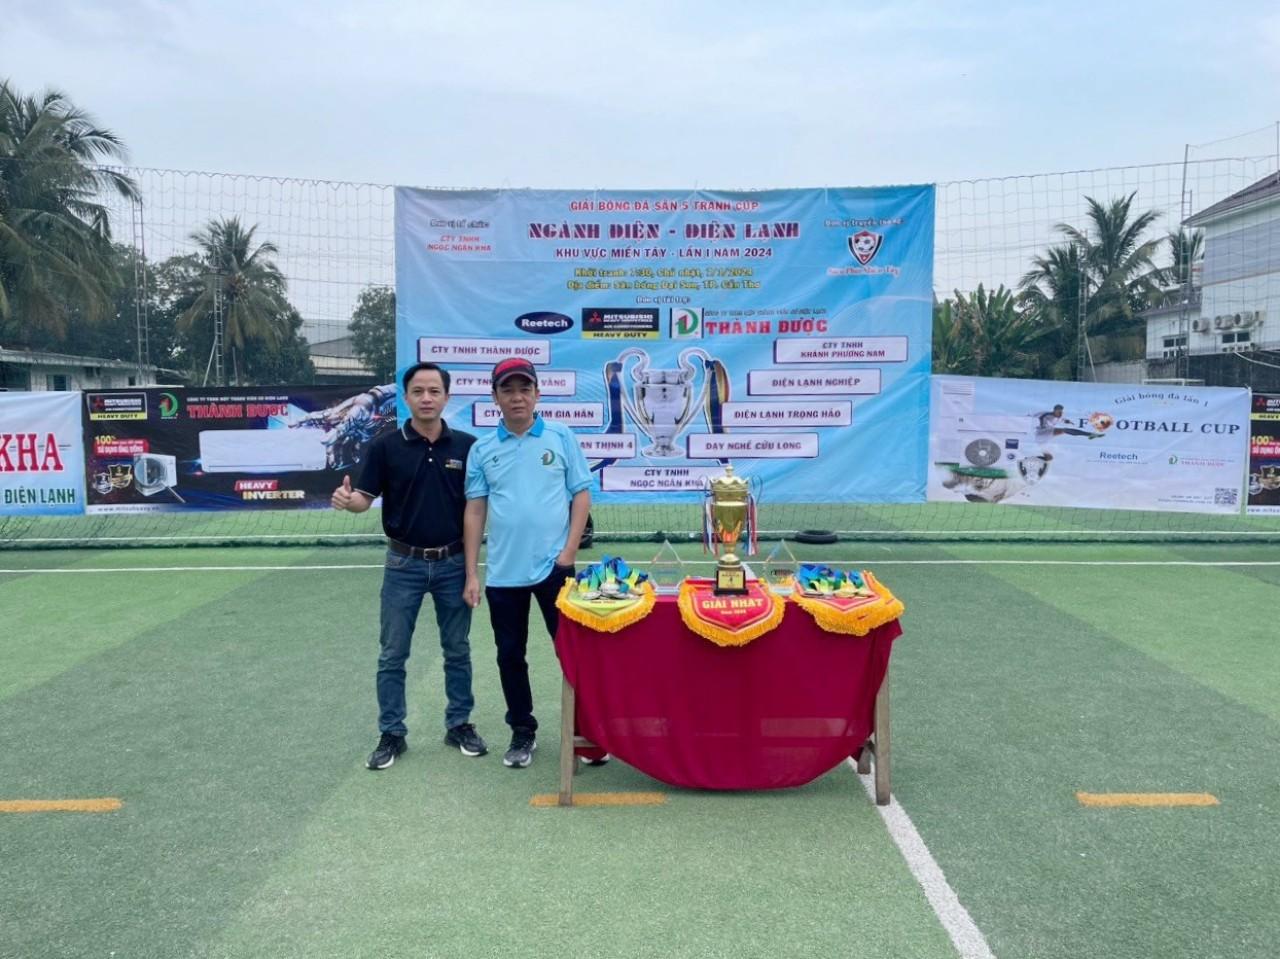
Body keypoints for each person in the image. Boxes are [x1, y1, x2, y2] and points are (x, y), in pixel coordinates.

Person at [332, 361, 487, 771]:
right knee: (392, 654)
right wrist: (349, 502)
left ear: (447, 397)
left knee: (457, 650)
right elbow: (364, 498)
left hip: (454, 563)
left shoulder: (467, 447)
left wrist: (472, 573)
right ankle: (392, 733)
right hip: (403, 564)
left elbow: (476, 511)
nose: (426, 398)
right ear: (406, 397)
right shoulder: (386, 447)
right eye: (418, 391)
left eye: (434, 391)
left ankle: (459, 724)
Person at [462, 356, 599, 768]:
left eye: (525, 389)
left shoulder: (560, 436)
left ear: (537, 394)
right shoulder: (482, 449)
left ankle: (586, 732)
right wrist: (472, 573)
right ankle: (523, 731)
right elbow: (475, 511)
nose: (517, 397)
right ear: (495, 397)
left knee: (573, 654)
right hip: (504, 575)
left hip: (555, 570)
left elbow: (581, 495)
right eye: (508, 390)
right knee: (509, 656)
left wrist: (568, 554)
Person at [1034, 404, 1104, 442]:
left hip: (1046, 433)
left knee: (1066, 430)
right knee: (1065, 430)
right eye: (1058, 411)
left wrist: (1068, 421)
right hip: (1041, 432)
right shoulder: (1046, 414)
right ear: (1054, 410)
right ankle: (1090, 434)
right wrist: (1041, 425)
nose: (1060, 413)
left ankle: (1090, 434)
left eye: (1061, 411)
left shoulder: (1059, 416)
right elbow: (1039, 417)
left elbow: (1063, 420)